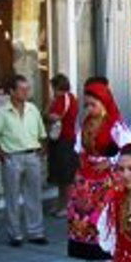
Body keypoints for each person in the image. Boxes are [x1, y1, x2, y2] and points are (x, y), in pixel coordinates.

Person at [70, 78, 131, 262]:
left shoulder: (115, 125)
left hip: (109, 182)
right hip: (88, 181)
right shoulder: (87, 123)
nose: (89, 109)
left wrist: (110, 161)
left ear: (104, 102)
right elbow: (78, 147)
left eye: (93, 104)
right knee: (88, 222)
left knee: (106, 222)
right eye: (87, 105)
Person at [0, 75, 48, 247]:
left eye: (27, 89)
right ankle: (15, 234)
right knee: (12, 197)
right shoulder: (1, 113)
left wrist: (41, 152)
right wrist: (3, 157)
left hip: (31, 155)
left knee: (34, 196)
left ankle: (36, 232)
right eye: (22, 89)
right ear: (12, 92)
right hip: (12, 156)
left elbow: (42, 133)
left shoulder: (33, 109)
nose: (26, 92)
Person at [47, 74, 80, 218]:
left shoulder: (61, 99)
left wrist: (45, 113)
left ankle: (66, 206)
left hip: (62, 140)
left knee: (65, 177)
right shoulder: (72, 98)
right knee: (63, 177)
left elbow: (55, 117)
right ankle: (61, 204)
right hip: (68, 139)